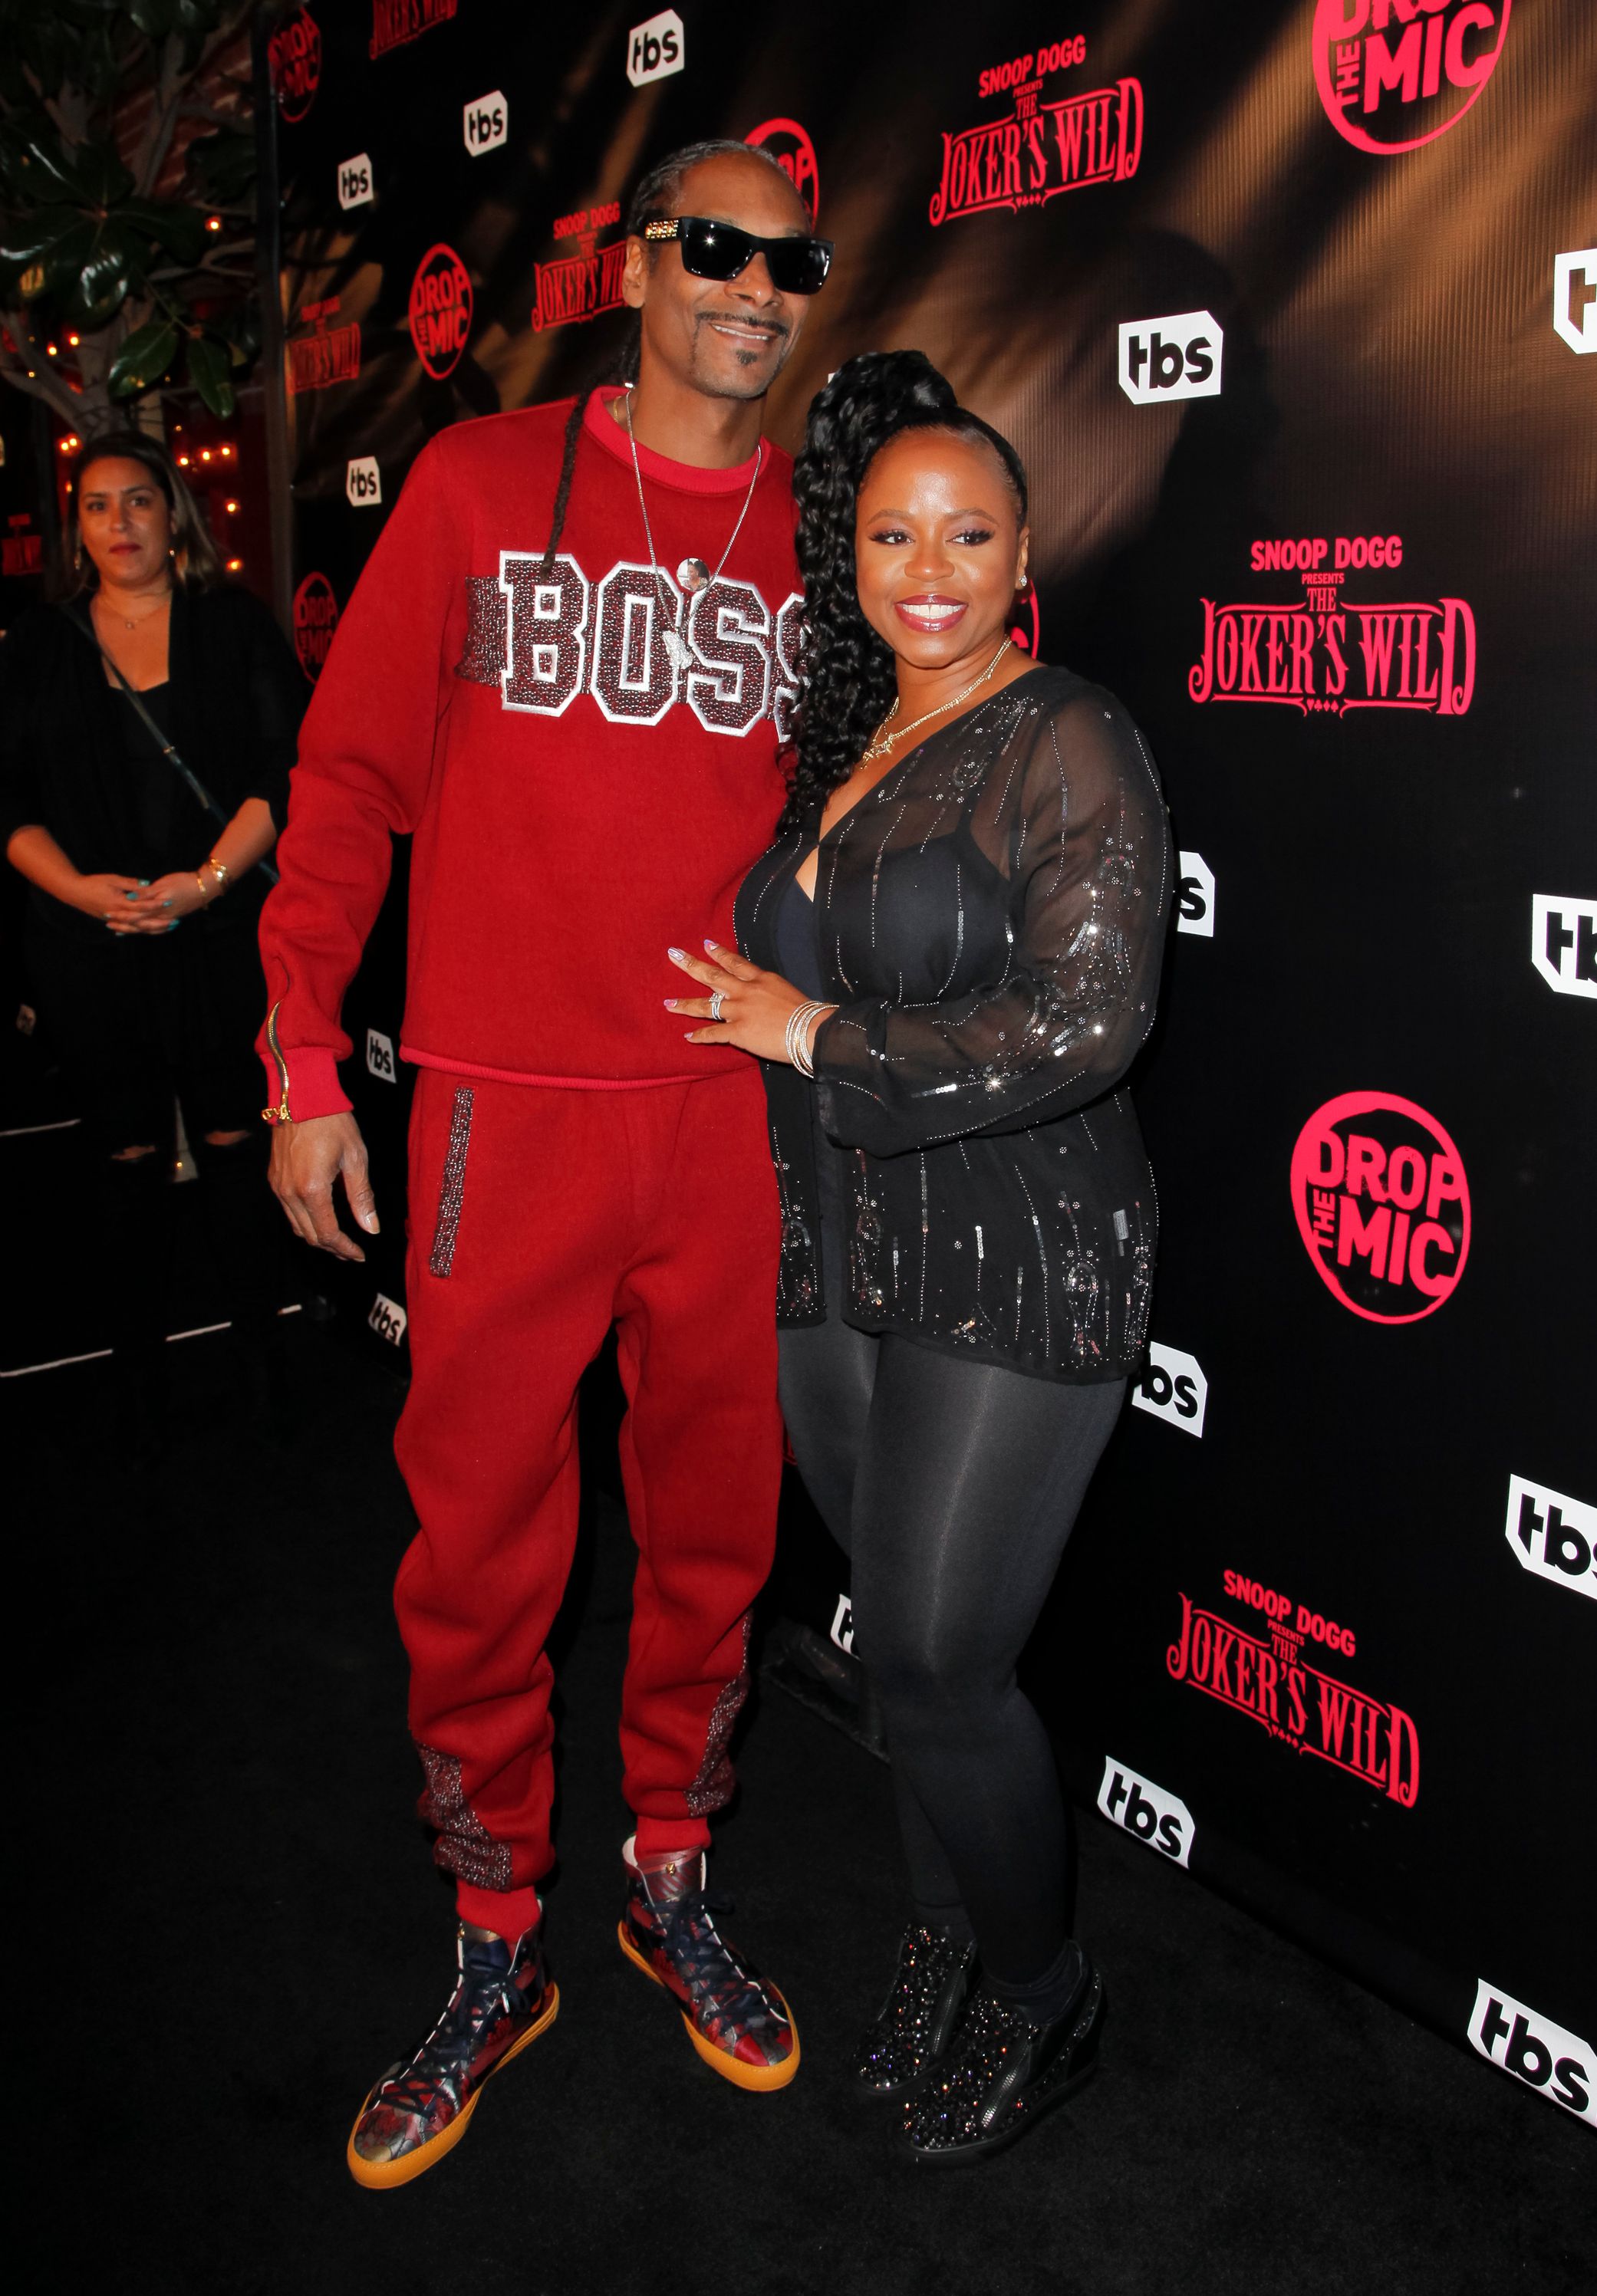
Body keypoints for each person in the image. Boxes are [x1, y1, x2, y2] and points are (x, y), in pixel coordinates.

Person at [258, 140, 834, 2186]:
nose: (751, 289)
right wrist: (303, 1056)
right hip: (501, 1109)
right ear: (640, 267)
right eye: (714, 250)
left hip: (725, 1124)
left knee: (712, 1539)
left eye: (788, 262)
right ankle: (495, 1931)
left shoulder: (826, 542)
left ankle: (667, 1876)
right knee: (478, 1552)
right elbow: (340, 787)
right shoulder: (487, 484)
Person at [667, 350, 1171, 2165]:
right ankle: (948, 1935)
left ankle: (1051, 2000)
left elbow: (1092, 1020)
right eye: (893, 533)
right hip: (846, 1262)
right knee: (895, 1663)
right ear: (853, 555)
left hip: (1018, 1255)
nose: (930, 565)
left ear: (1025, 542)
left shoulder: (1069, 733)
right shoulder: (847, 737)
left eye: (969, 529)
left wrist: (815, 1038)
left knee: (951, 1666)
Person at [0, 430, 299, 1441]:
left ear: (175, 514)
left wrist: (206, 883)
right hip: (90, 952)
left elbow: (279, 776)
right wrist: (86, 895)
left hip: (218, 940)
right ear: (75, 530)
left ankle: (262, 1361)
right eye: (96, 505)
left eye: (137, 500)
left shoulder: (234, 626)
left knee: (230, 1144)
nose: (119, 522)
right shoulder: (40, 646)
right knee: (124, 1159)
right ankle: (137, 1380)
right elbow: (8, 806)